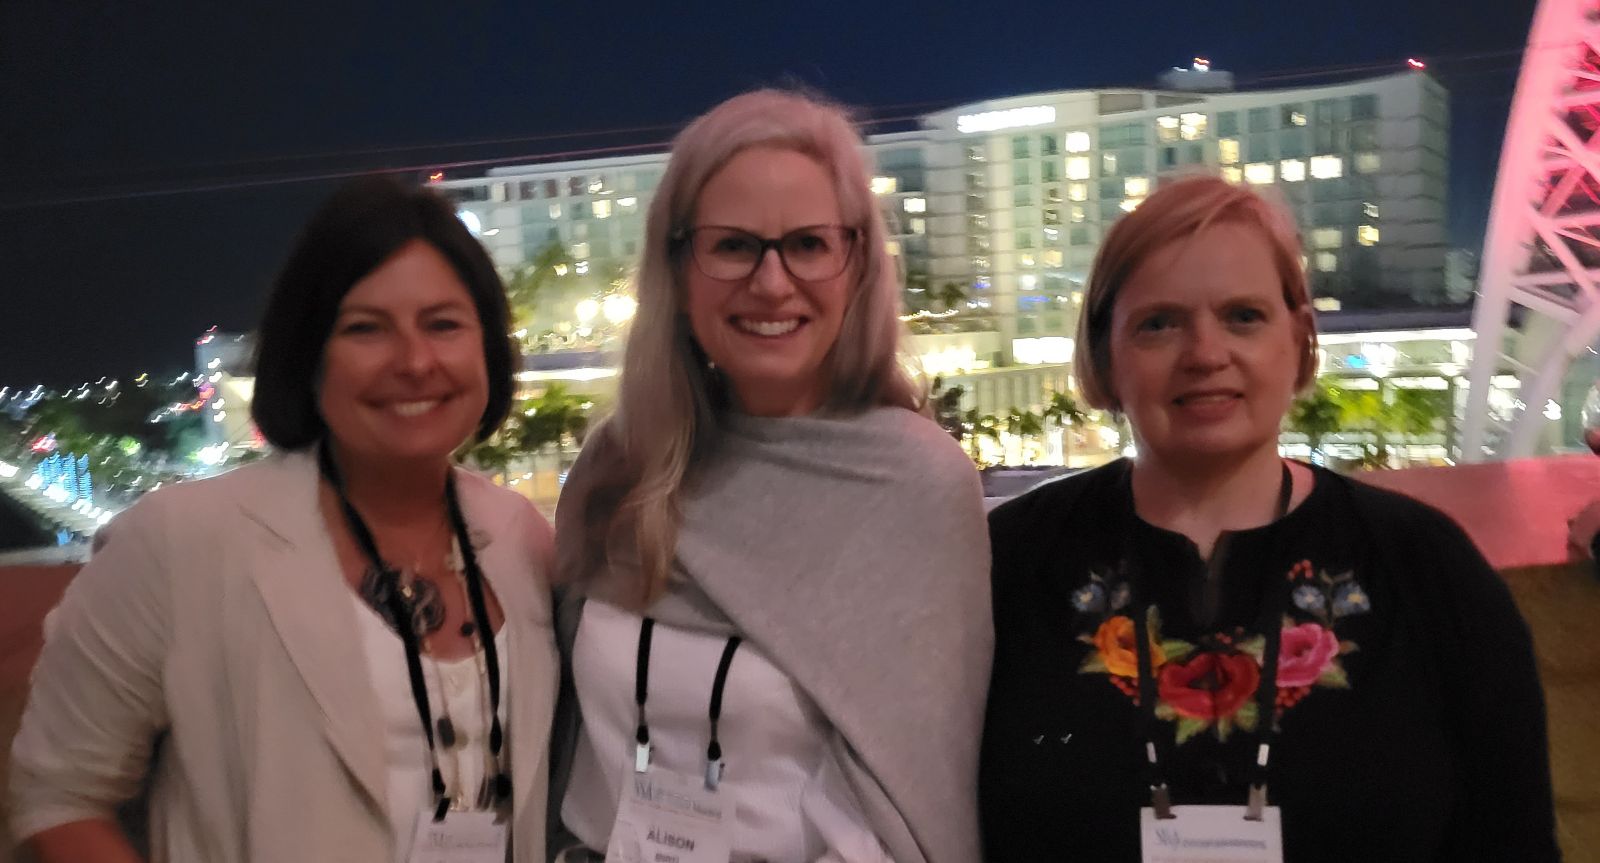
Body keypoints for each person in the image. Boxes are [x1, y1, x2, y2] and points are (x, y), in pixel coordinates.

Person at [980, 176, 1559, 861]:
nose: (1204, 352)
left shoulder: (1424, 566)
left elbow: (1513, 840)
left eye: (1243, 316)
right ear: (1106, 353)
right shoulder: (1009, 566)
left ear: (1301, 340)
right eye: (1159, 322)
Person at [9, 177, 559, 862]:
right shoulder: (182, 542)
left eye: (444, 324)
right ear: (310, 355)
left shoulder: (521, 538)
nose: (415, 362)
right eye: (366, 328)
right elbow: (60, 796)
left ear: (488, 348)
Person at [550, 89, 991, 863]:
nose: (773, 282)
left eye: (809, 244)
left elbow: (916, 799)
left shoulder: (916, 488)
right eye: (733, 245)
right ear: (678, 269)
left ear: (855, 265)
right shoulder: (622, 466)